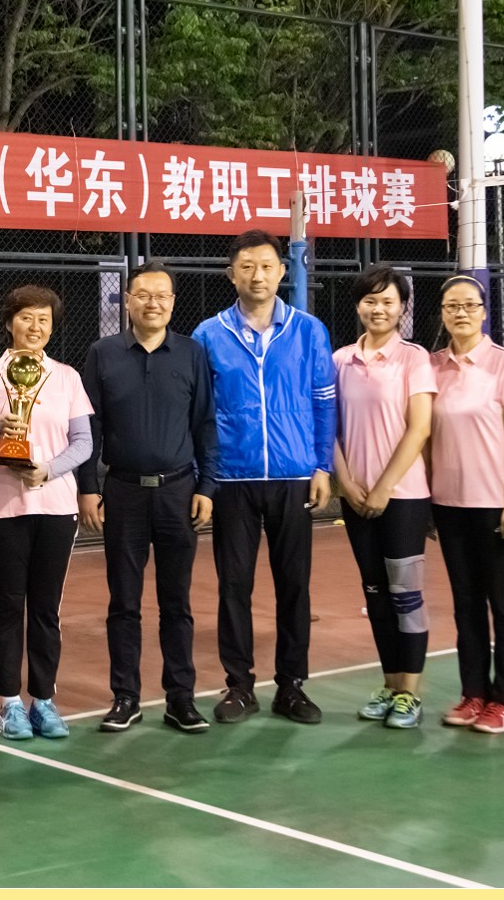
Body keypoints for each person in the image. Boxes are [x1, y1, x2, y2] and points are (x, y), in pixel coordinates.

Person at [191, 230, 335, 726]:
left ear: (282, 272)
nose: (258, 275)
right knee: (234, 585)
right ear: (231, 273)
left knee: (294, 584)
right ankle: (239, 685)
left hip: (294, 476)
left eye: (267, 266)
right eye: (247, 266)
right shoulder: (208, 335)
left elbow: (324, 402)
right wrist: (205, 479)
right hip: (232, 479)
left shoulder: (308, 331)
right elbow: (200, 414)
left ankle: (291, 685)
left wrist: (322, 466)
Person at [78, 261, 219, 734]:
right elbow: (90, 427)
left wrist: (207, 487)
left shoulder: (192, 354)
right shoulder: (103, 354)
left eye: (162, 295)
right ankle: (126, 697)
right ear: (128, 302)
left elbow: (205, 424)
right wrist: (88, 488)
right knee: (124, 602)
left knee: (177, 603)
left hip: (179, 492)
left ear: (173, 303)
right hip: (123, 493)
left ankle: (181, 698)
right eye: (143, 294)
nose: (152, 303)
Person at [0, 285, 94, 741]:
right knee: (7, 607)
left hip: (56, 507)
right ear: (9, 323)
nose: (35, 327)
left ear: (52, 327)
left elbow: (84, 443)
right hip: (2, 509)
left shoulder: (67, 377)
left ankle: (43, 700)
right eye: (26, 318)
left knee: (47, 608)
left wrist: (48, 470)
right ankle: (9, 704)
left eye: (43, 320)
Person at [331, 264, 437, 729]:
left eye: (388, 301)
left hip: (404, 497)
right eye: (370, 300)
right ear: (359, 305)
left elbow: (420, 428)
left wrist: (384, 487)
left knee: (405, 595)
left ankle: (410, 693)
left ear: (402, 308)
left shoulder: (414, 359)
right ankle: (391, 685)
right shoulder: (340, 360)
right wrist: (346, 483)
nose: (378, 308)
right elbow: (329, 428)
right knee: (374, 593)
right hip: (355, 499)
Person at [429, 275, 504, 734]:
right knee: (465, 604)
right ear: (442, 313)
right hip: (449, 505)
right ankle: (474, 692)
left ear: (484, 311)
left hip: (495, 505)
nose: (461, 313)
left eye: (470, 304)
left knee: (503, 606)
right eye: (452, 306)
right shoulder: (432, 366)